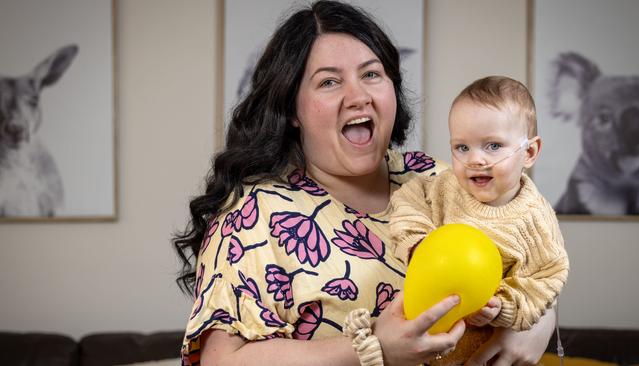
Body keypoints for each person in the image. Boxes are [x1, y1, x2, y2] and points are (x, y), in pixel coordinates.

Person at [173, 2, 557, 365]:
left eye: (371, 74)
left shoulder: (436, 177)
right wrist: (373, 349)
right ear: (292, 108)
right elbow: (221, 361)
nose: (358, 96)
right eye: (328, 82)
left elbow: (530, 256)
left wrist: (537, 325)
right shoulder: (252, 215)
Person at [390, 76, 570, 365]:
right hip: (423, 344)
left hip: (485, 352)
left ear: (530, 152)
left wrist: (504, 306)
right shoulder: (443, 187)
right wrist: (419, 245)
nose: (475, 159)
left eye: (493, 146)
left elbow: (547, 277)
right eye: (462, 148)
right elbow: (407, 201)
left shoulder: (535, 218)